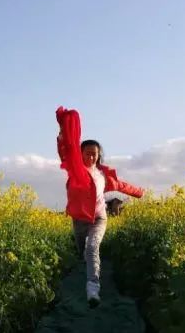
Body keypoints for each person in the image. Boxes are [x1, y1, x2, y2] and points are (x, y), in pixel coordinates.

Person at [56, 106, 145, 308]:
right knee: (82, 251)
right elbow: (65, 151)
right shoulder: (74, 169)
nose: (91, 157)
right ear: (80, 154)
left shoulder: (103, 175)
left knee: (92, 247)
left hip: (98, 218)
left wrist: (139, 192)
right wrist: (62, 134)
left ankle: (92, 290)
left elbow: (121, 185)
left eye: (94, 154)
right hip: (79, 219)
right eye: (87, 153)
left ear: (98, 155)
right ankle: (85, 271)